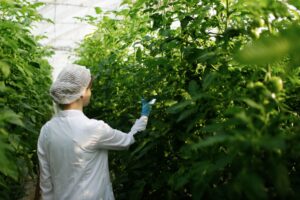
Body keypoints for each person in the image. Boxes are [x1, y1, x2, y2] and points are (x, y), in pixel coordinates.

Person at [37, 65, 153, 200]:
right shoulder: (94, 129)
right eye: (89, 88)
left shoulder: (46, 130)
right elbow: (128, 140)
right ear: (81, 93)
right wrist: (144, 116)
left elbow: (45, 182)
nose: (90, 92)